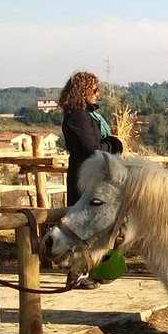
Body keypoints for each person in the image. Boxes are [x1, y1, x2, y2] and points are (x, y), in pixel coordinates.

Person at [58, 71, 123, 287]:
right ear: (84, 91)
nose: (98, 94)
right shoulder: (77, 117)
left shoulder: (87, 115)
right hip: (82, 176)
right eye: (95, 90)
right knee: (81, 225)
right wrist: (112, 145)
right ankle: (75, 275)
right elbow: (90, 148)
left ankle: (88, 272)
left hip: (90, 174)